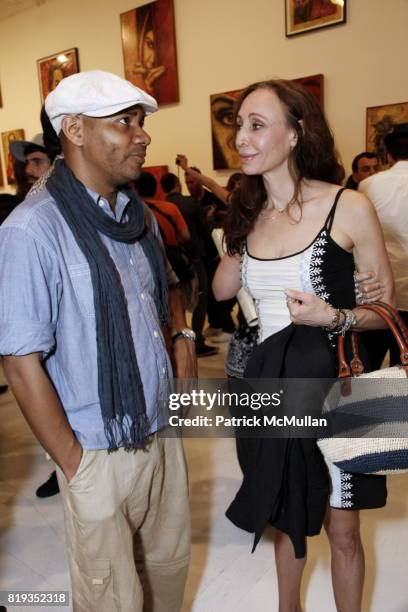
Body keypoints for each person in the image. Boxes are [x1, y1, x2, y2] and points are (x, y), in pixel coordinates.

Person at [0, 70, 195, 612]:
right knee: (112, 598)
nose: (143, 135)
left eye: (141, 122)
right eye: (124, 123)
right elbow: (20, 362)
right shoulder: (31, 229)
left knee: (168, 574)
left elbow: (167, 286)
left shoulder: (138, 216)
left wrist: (181, 334)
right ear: (76, 130)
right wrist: (75, 462)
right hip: (97, 448)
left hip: (161, 429)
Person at [213, 79, 393, 612]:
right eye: (239, 125)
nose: (242, 138)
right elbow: (224, 290)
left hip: (342, 384)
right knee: (285, 518)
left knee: (343, 529)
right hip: (268, 386)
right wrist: (236, 229)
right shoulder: (250, 216)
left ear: (295, 134)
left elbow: (384, 313)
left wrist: (331, 315)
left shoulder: (348, 206)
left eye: (257, 124)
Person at [359, 123, 408, 369]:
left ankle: (367, 407)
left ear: (387, 154)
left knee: (369, 363)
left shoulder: (369, 185)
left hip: (378, 292)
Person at [160, 172, 217, 357]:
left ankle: (179, 338)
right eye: (187, 182)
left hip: (169, 261)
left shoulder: (151, 207)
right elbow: (190, 234)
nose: (190, 185)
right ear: (178, 183)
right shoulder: (187, 204)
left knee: (177, 301)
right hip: (192, 258)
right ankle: (197, 340)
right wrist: (209, 217)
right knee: (201, 298)